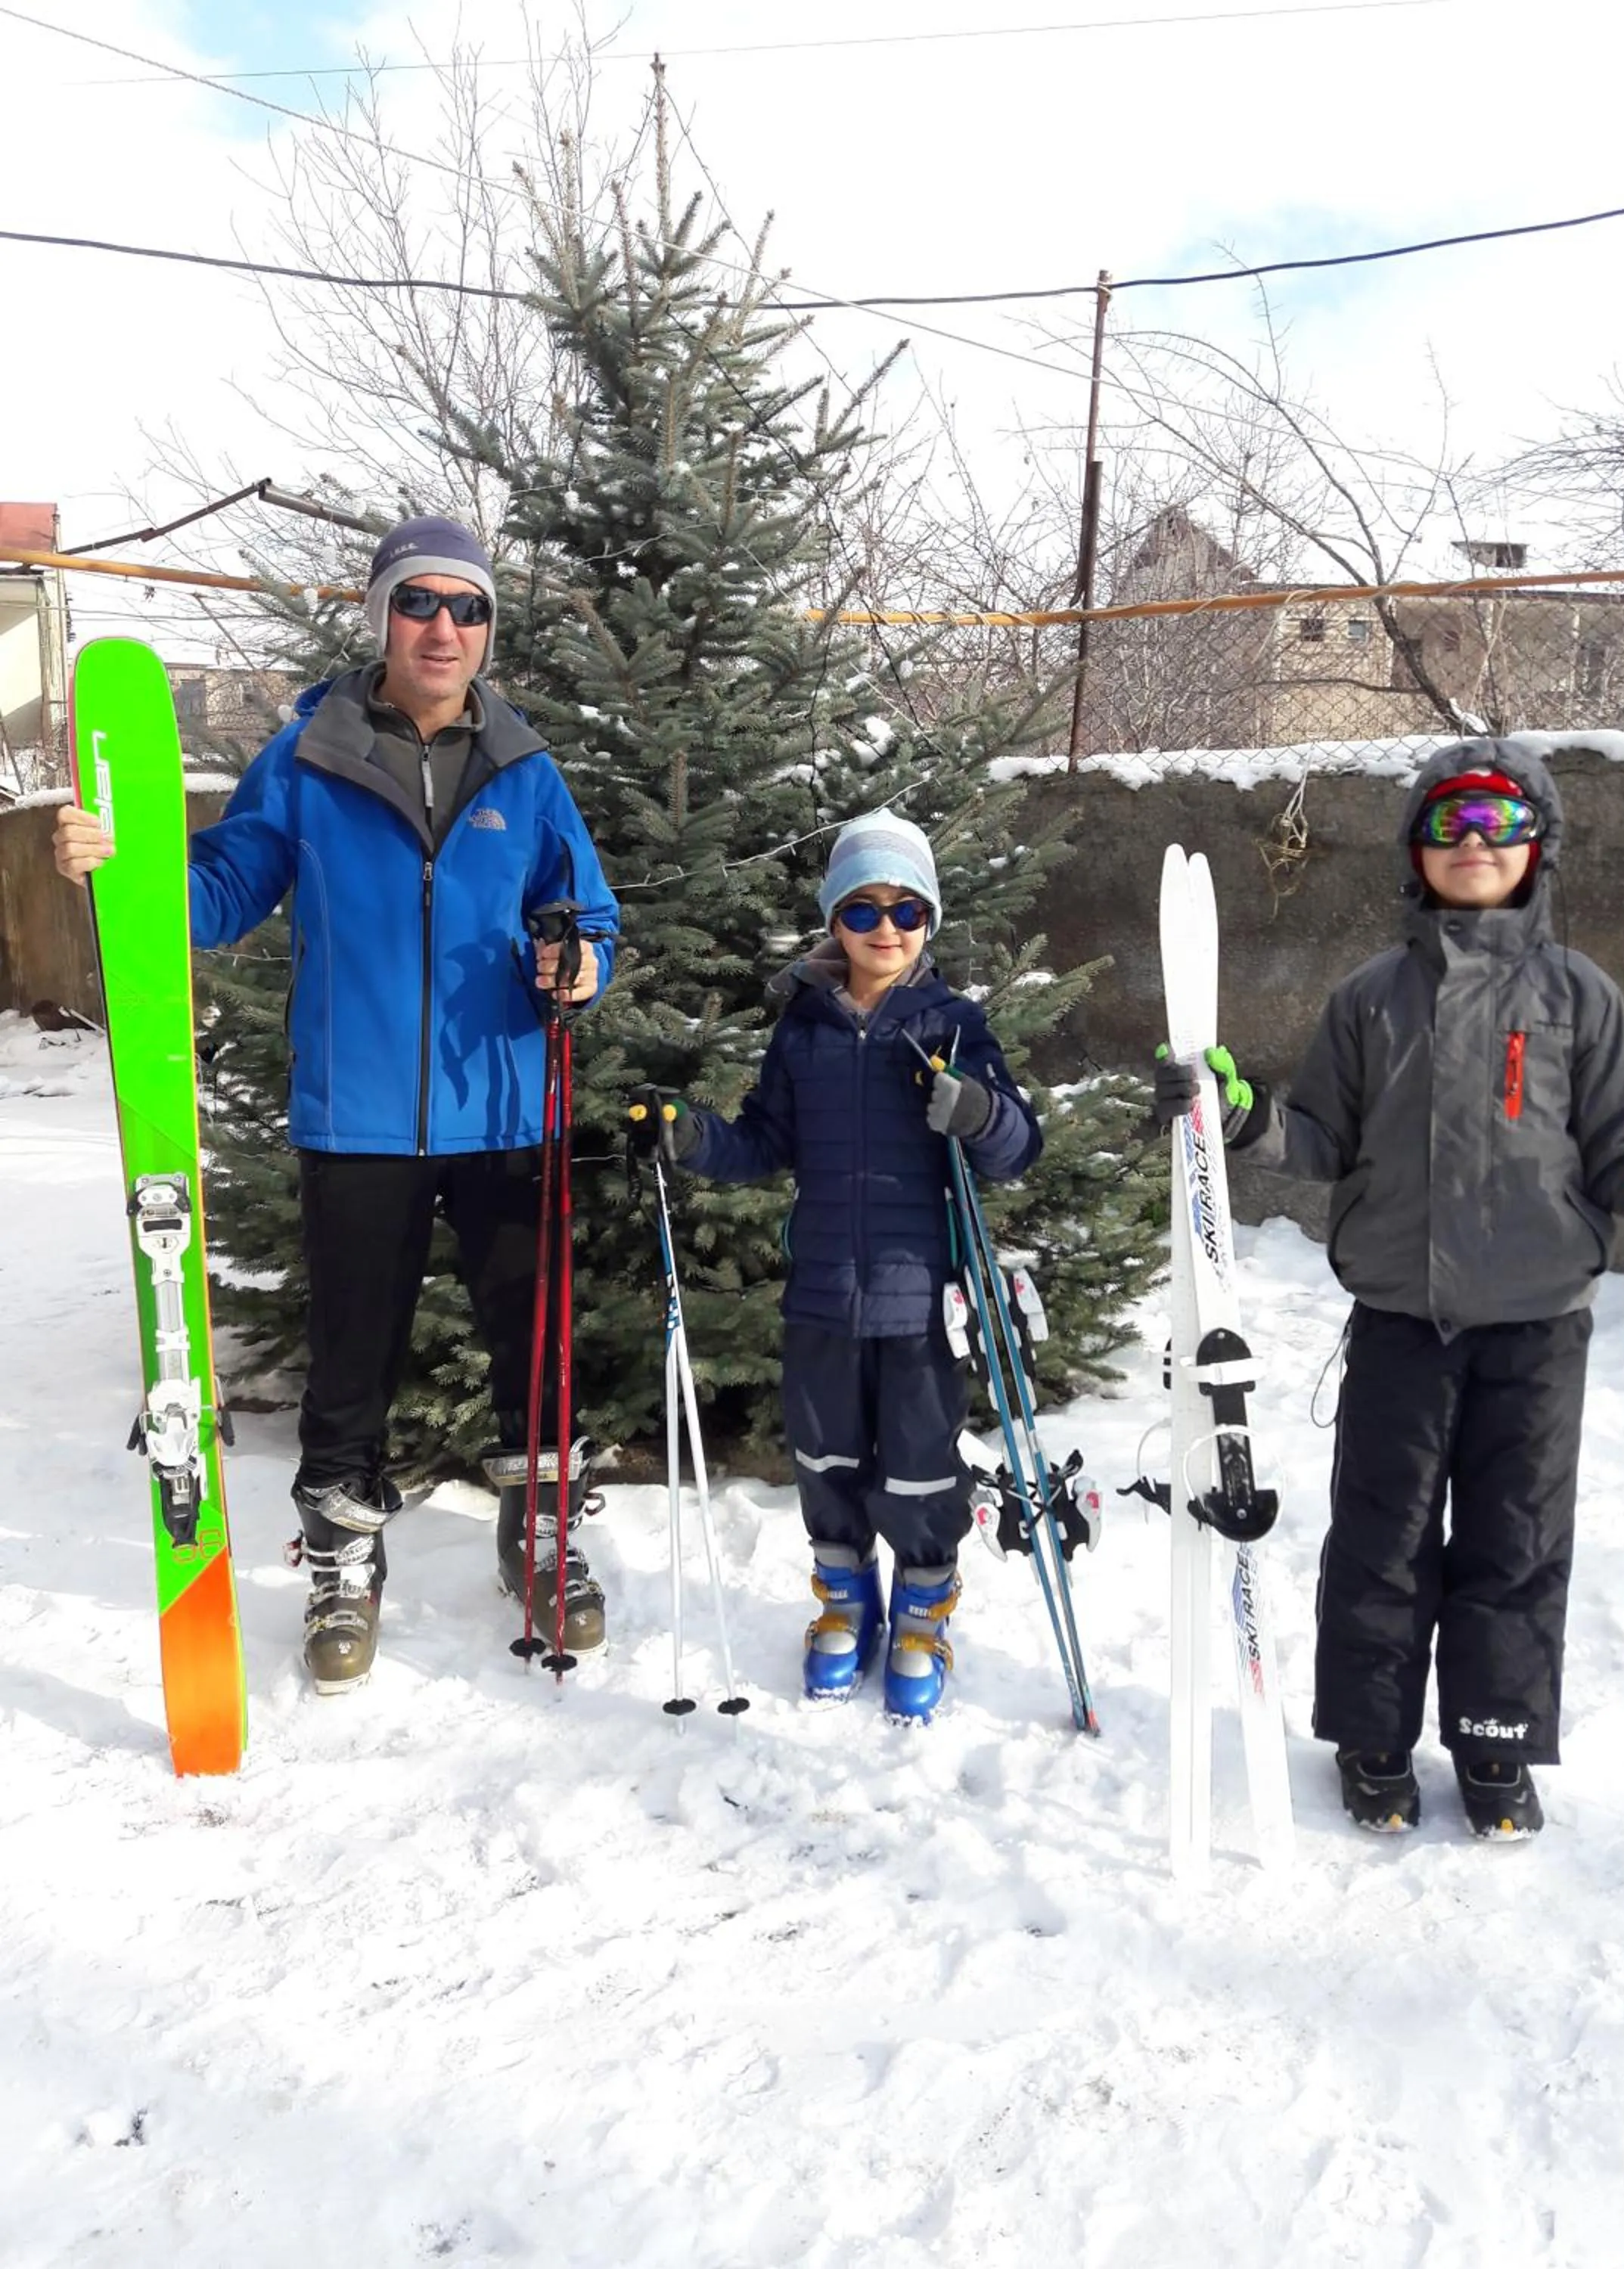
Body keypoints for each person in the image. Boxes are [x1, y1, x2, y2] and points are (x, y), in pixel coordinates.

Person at [54, 516, 620, 1695]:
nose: (444, 628)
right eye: (421, 602)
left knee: (532, 1337)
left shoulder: (525, 768)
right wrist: (119, 862)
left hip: (507, 1107)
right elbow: (219, 893)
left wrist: (583, 964)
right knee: (352, 1356)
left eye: (469, 609)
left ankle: (543, 1532)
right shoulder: (312, 754)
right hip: (356, 1115)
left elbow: (587, 912)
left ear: (487, 632)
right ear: (381, 617)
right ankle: (340, 1557)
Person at [1158, 740, 1624, 1839]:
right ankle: (1371, 1738)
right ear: (1415, 847)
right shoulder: (1370, 997)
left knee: (1515, 1537)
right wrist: (1242, 1116)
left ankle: (1494, 1744)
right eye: (1449, 824)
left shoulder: (1577, 996)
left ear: (1534, 847)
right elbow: (1316, 1137)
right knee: (1382, 1532)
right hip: (1403, 1316)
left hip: (1538, 1327)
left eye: (1496, 825)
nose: (1471, 846)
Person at [629, 812, 1042, 1722]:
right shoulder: (804, 1030)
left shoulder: (952, 1024)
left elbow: (1016, 1150)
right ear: (833, 923)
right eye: (862, 910)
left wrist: (976, 1112)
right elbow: (766, 1143)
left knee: (922, 1468)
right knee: (826, 1456)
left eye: (906, 910)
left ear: (929, 920)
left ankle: (925, 1612)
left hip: (922, 1300)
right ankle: (845, 1604)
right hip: (821, 1293)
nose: (885, 928)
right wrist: (694, 1137)